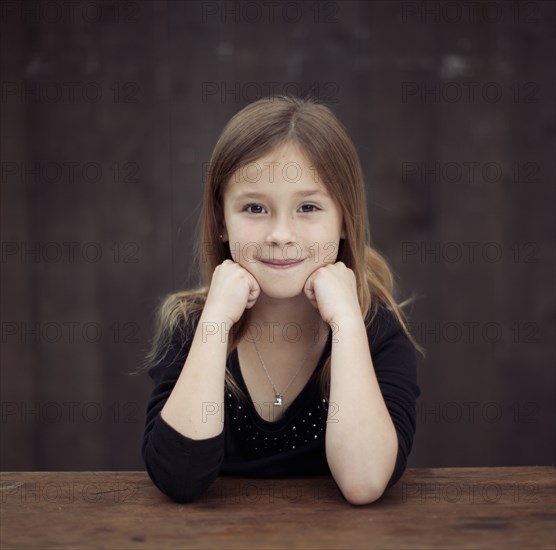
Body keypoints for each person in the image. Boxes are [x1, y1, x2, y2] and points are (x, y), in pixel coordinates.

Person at [142, 95, 422, 505]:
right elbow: (179, 479)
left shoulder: (374, 325)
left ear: (345, 219)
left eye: (308, 207)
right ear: (222, 222)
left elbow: (363, 482)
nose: (280, 234)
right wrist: (216, 322)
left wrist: (345, 323)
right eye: (255, 207)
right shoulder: (191, 325)